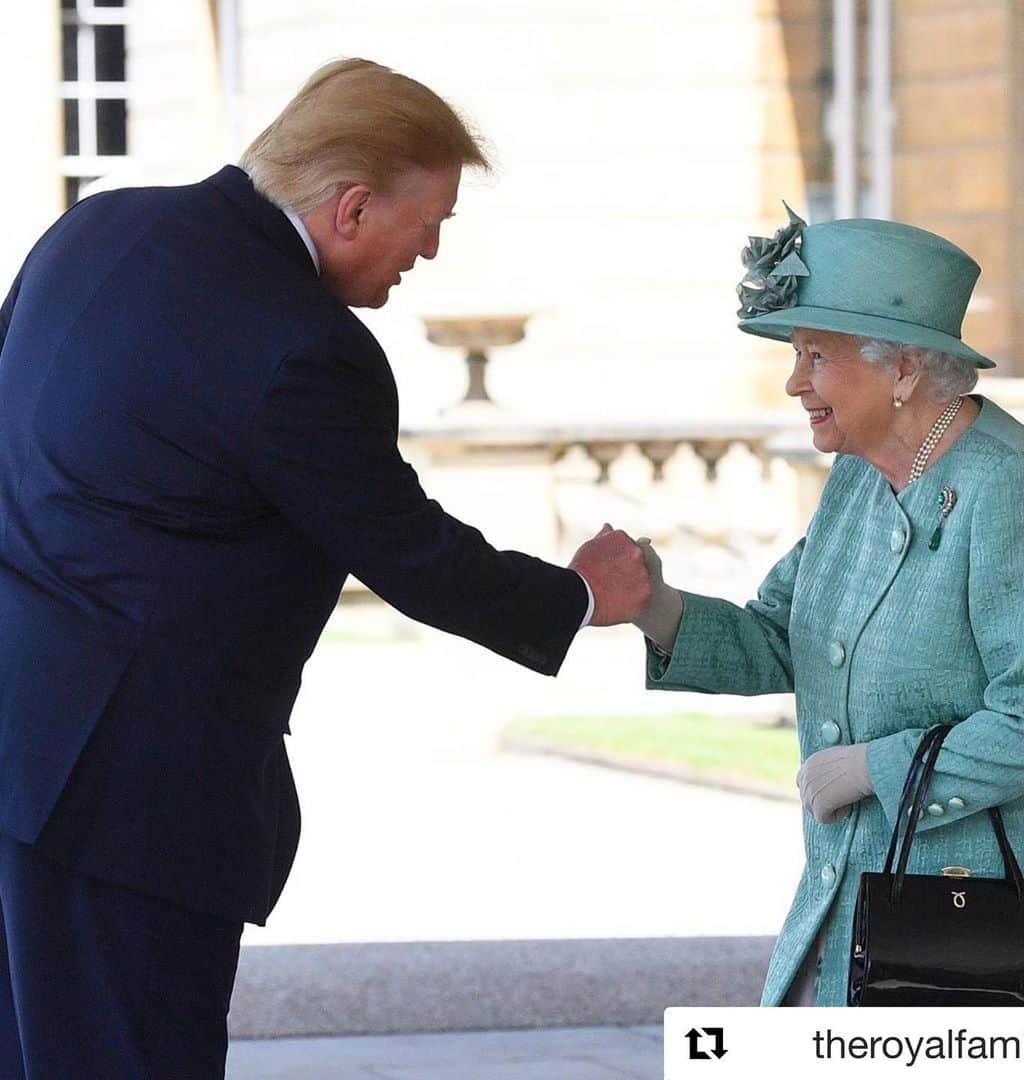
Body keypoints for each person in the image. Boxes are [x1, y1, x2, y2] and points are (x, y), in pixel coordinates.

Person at [0, 58, 649, 1076]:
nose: (430, 250)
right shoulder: (305, 346)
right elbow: (407, 548)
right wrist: (579, 596)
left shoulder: (93, 230)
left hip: (16, 745)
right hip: (136, 794)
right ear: (351, 208)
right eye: (430, 220)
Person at [628, 207, 1024, 1005]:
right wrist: (653, 605)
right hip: (850, 908)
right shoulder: (861, 477)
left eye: (814, 356)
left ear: (903, 370)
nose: (795, 381)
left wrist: (877, 768)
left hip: (969, 937)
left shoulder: (1013, 493)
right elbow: (779, 635)